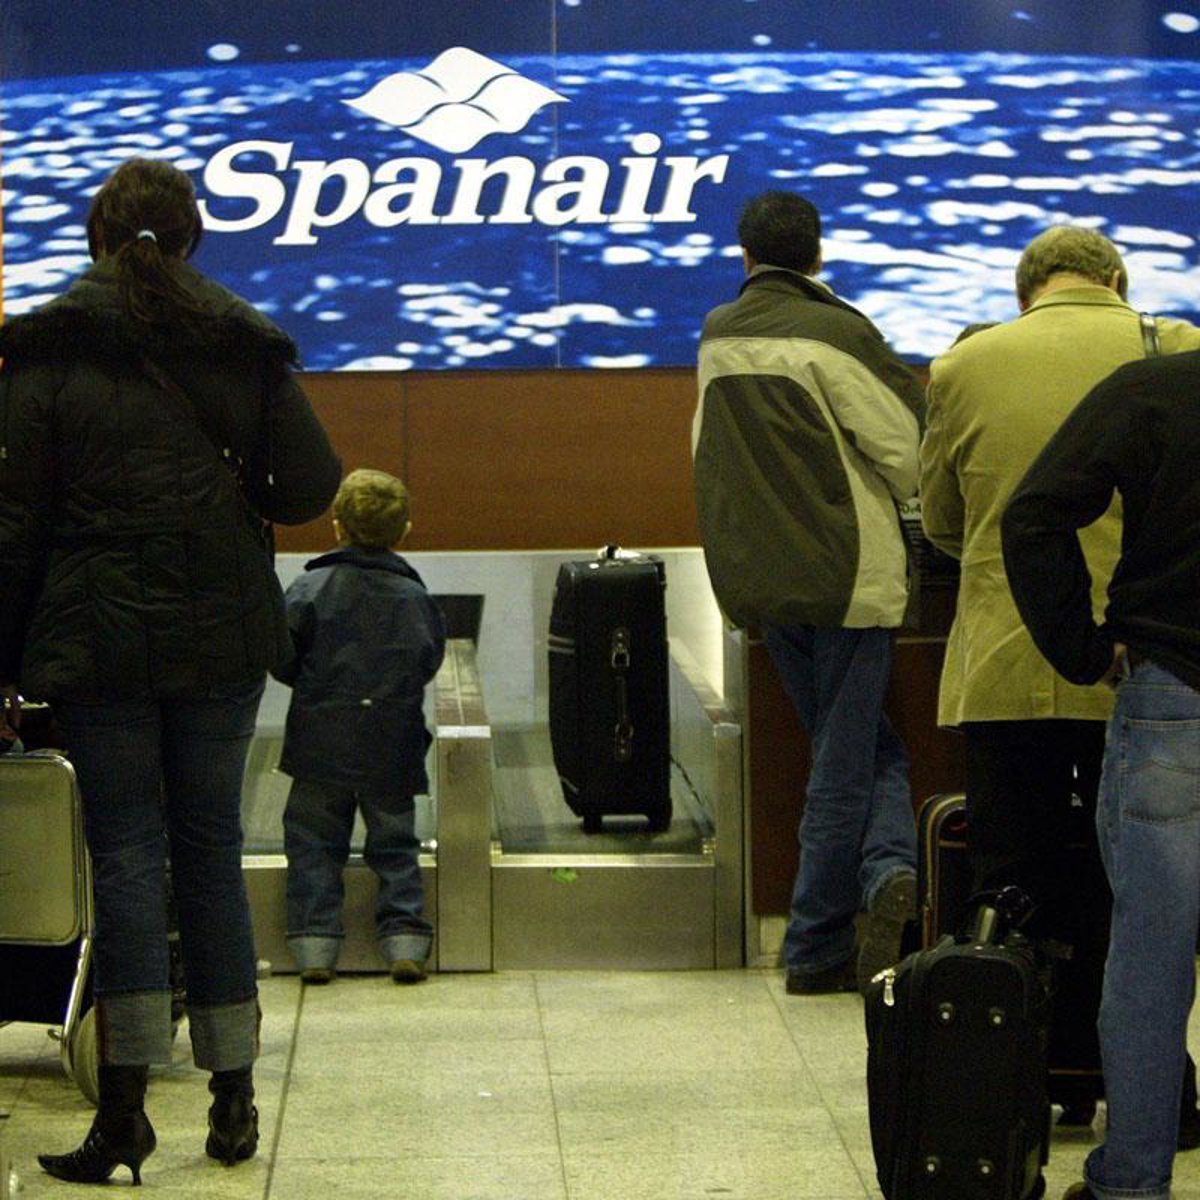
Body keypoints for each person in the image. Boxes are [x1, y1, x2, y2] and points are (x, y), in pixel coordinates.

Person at [0, 157, 341, 1185]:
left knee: (126, 860)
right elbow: (311, 486)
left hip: (98, 638)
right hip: (221, 633)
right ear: (190, 238)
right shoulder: (243, 345)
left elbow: (14, 524)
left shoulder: (48, 351)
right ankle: (233, 1100)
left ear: (98, 237)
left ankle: (125, 1116)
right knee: (210, 852)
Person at [920, 226, 1200, 1116]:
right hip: (1142, 656)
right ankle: (1153, 1094)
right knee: (1142, 895)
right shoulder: (1175, 348)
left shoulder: (964, 364)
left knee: (1013, 881)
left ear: (1023, 292)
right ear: (1117, 280)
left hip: (1008, 658)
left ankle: (1014, 1088)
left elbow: (943, 521)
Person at [692, 189, 924, 995]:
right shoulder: (839, 331)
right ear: (818, 254)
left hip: (762, 575)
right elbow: (907, 449)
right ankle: (817, 940)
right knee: (844, 757)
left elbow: (710, 447)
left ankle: (890, 870)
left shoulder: (718, 332)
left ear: (747, 256)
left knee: (859, 743)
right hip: (848, 574)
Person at [1001, 343, 1200, 1200]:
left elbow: (1033, 515)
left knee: (1153, 954)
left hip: (1175, 693)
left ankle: (1132, 1181)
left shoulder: (1156, 389)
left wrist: (1082, 648)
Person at [271, 468, 445, 985]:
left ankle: (315, 947)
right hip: (392, 744)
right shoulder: (412, 596)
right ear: (404, 530)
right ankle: (405, 942)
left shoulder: (309, 588)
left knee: (312, 844)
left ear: (337, 525)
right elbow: (427, 659)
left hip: (319, 743)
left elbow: (282, 656)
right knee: (395, 846)